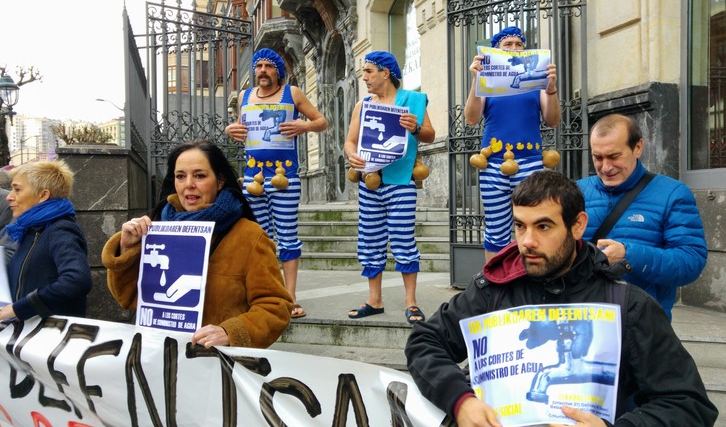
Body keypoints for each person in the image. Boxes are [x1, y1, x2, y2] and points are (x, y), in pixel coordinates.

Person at [405, 170, 718, 426]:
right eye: (520, 225)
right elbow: (425, 342)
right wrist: (460, 400)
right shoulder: (493, 290)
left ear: (578, 225)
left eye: (543, 226)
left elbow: (688, 405)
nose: (527, 241)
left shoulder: (627, 306)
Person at [102, 140, 293, 349]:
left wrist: (232, 332)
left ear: (219, 181)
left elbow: (276, 307)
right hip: (162, 361)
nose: (188, 184)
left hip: (219, 368)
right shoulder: (156, 229)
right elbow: (129, 298)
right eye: (180, 176)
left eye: (199, 176)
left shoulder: (249, 236)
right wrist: (128, 249)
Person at [225, 48, 328, 319]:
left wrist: (303, 127)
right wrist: (230, 130)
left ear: (277, 71)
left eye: (268, 66)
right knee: (259, 239)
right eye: (258, 66)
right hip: (252, 178)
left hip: (285, 177)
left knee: (287, 237)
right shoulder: (245, 96)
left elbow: (322, 121)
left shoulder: (292, 93)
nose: (262, 71)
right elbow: (240, 128)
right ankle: (265, 294)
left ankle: (290, 298)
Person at [577, 114, 707, 321]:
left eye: (614, 156)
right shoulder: (577, 191)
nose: (606, 167)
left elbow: (690, 262)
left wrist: (629, 255)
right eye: (598, 158)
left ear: (638, 148)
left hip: (643, 324)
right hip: (583, 319)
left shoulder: (673, 194)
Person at [343, 51, 436, 323]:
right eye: (364, 71)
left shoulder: (413, 100)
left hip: (401, 180)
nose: (364, 77)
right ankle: (375, 300)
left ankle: (411, 302)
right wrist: (351, 155)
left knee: (403, 239)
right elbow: (350, 141)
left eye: (369, 71)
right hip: (369, 181)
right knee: (370, 240)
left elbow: (430, 135)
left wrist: (416, 127)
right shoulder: (362, 104)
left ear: (386, 72)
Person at [465, 26, 561, 263]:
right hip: (493, 164)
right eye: (508, 45)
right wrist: (476, 81)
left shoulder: (535, 82)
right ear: (496, 51)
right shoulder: (488, 80)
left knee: (534, 224)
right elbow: (471, 118)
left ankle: (530, 283)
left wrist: (551, 90)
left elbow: (553, 121)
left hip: (530, 162)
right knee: (496, 231)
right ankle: (494, 289)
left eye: (519, 45)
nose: (515, 48)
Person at [0, 161, 92, 321]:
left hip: (51, 338)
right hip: (28, 336)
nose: (9, 197)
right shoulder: (29, 231)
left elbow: (77, 280)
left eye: (17, 189)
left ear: (43, 195)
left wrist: (19, 308)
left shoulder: (61, 230)